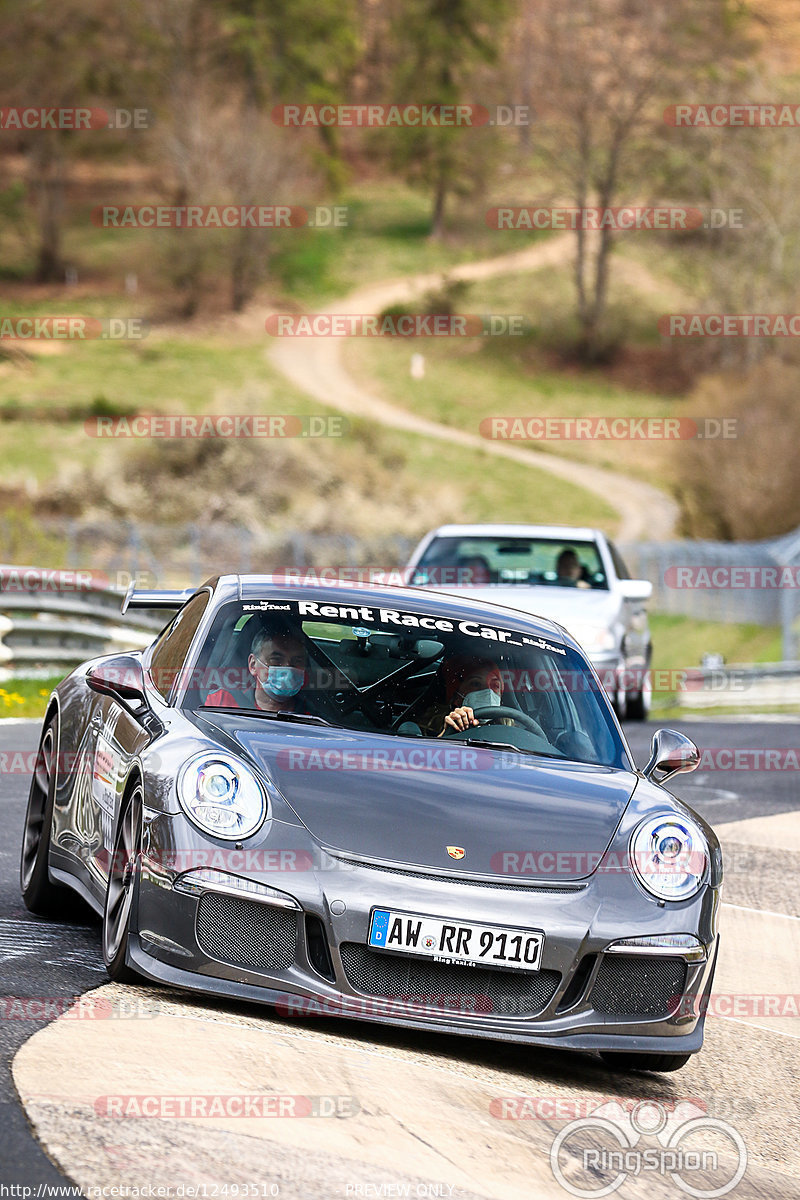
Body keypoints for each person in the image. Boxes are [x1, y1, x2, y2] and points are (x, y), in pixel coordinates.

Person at [205, 623, 310, 712]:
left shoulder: (314, 719)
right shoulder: (219, 701)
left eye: (297, 661)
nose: (288, 667)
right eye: (276, 660)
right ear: (253, 665)